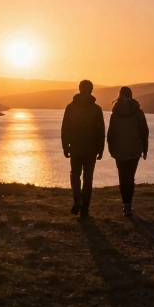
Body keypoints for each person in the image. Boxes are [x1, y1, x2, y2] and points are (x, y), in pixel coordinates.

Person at [61, 79, 105, 217]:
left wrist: (65, 146)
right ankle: (85, 208)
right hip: (91, 149)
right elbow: (100, 131)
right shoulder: (96, 109)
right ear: (91, 90)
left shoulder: (70, 107)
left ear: (79, 89)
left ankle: (77, 200)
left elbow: (65, 128)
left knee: (75, 174)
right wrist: (101, 148)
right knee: (88, 177)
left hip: (75, 147)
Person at [106, 86, 149, 217]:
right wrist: (145, 149)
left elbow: (110, 134)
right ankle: (128, 205)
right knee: (130, 177)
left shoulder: (115, 113)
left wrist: (111, 148)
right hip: (135, 149)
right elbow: (144, 132)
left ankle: (125, 204)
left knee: (122, 176)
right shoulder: (139, 112)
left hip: (119, 149)